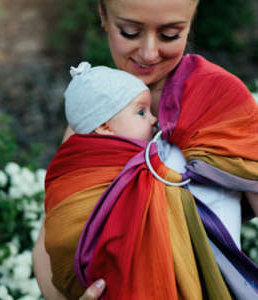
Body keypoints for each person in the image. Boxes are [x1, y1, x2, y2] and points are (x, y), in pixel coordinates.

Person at [32, 0, 258, 299]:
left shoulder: (220, 102)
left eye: (170, 35)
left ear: (190, 22)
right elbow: (54, 242)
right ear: (103, 16)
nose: (149, 53)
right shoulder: (90, 121)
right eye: (129, 32)